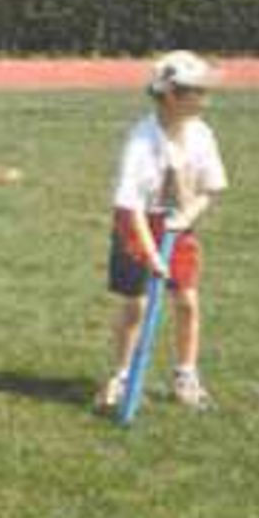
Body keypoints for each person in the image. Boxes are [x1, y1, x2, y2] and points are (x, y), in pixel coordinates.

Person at [96, 50, 228, 413]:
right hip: (136, 223)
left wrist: (187, 218)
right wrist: (152, 255)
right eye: (196, 92)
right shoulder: (141, 141)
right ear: (171, 95)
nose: (204, 99)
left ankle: (186, 374)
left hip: (178, 224)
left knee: (187, 299)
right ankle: (121, 377)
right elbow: (130, 205)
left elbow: (211, 189)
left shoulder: (201, 134)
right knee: (135, 303)